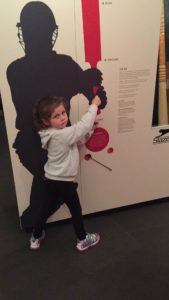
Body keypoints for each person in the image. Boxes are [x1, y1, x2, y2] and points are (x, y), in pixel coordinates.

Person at [6, 1, 107, 230]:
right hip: (43, 142)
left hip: (37, 142)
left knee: (47, 185)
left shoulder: (18, 69)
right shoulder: (60, 66)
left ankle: (33, 223)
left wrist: (91, 84)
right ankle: (34, 220)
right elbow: (45, 94)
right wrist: (90, 86)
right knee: (57, 185)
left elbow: (89, 91)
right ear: (51, 32)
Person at [31, 94, 101, 251]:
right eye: (56, 116)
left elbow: (78, 139)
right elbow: (80, 128)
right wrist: (94, 106)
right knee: (76, 210)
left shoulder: (52, 134)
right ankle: (82, 240)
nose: (62, 118)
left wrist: (92, 128)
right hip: (64, 182)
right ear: (45, 121)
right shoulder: (61, 134)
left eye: (63, 113)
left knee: (45, 208)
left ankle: (35, 237)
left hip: (50, 179)